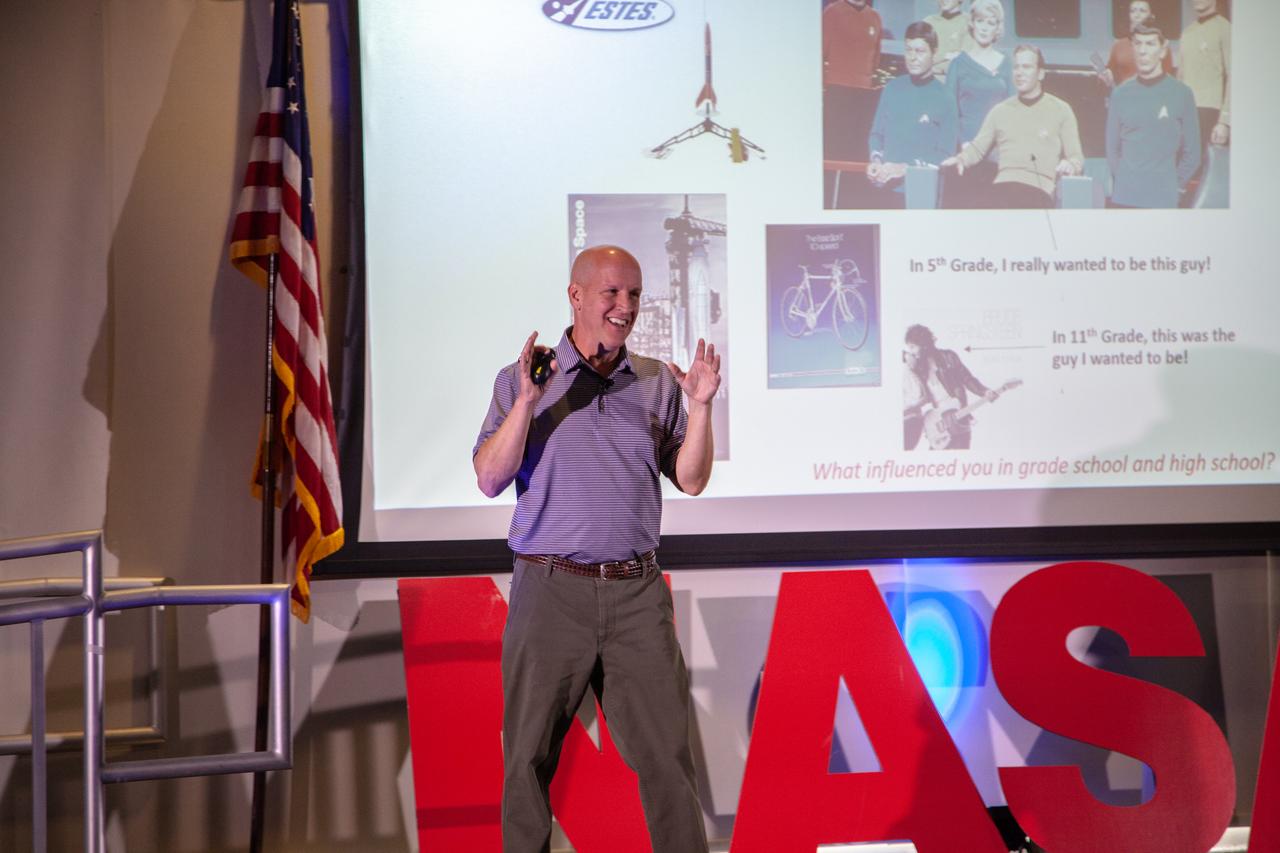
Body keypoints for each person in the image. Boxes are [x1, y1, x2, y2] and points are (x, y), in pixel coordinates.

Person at [473, 245, 720, 853]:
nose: (625, 306)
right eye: (611, 293)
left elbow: (690, 479)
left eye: (634, 294)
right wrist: (531, 404)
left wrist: (702, 407)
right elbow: (488, 476)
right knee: (526, 760)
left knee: (666, 758)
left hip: (636, 594)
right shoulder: (523, 378)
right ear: (576, 296)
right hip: (550, 591)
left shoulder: (658, 381)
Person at [942, 44, 1084, 208]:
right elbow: (977, 148)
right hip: (1002, 189)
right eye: (1016, 67)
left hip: (1038, 193)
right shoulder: (1000, 110)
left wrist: (1071, 164)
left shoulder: (1061, 110)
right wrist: (961, 159)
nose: (1019, 73)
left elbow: (1076, 157)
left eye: (1026, 67)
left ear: (1041, 73)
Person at [1106, 25, 1200, 208]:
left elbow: (1193, 153)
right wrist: (1127, 182)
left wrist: (1174, 186)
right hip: (1125, 198)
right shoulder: (1120, 94)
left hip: (1163, 198)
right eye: (1138, 44)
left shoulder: (1182, 93)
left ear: (1163, 50)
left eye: (1150, 44)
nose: (1143, 51)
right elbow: (1112, 150)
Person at [866, 21, 957, 208]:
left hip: (921, 193)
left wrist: (905, 168)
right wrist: (876, 161)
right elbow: (876, 135)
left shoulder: (946, 97)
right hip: (884, 191)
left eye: (920, 51)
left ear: (934, 53)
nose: (913, 57)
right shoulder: (892, 88)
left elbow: (946, 153)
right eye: (909, 50)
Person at [943, 0, 1013, 207]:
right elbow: (949, 113)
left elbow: (1012, 110)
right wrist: (964, 143)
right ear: (972, 23)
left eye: (991, 23)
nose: (984, 27)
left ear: (998, 28)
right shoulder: (958, 64)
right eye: (980, 21)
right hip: (965, 153)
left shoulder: (1007, 64)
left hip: (997, 157)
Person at [902, 324, 998, 451]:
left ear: (923, 344)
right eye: (909, 348)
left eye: (913, 347)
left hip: (957, 417)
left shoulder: (949, 357)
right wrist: (904, 355)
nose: (911, 352)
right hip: (937, 422)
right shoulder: (918, 367)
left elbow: (967, 378)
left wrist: (984, 391)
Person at [823, 0, 884, 173]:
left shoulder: (875, 17)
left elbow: (875, 61)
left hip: (864, 97)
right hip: (837, 94)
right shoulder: (833, 12)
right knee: (834, 152)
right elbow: (818, 53)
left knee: (859, 154)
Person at [1179, 0, 1231, 152]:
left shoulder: (1225, 28)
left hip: (1210, 111)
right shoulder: (1187, 32)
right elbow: (1180, 76)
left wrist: (1224, 121)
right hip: (1185, 110)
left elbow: (1233, 76)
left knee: (1204, 166)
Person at [1100, 0, 1174, 88]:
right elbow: (1109, 76)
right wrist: (1105, 78)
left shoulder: (1160, 46)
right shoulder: (1118, 45)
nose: (1137, 14)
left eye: (1142, 11)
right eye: (1133, 11)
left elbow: (1168, 78)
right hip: (1125, 97)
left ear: (1152, 16)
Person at [923, 0, 970, 81]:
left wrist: (937, 62)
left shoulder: (969, 22)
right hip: (930, 80)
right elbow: (922, 58)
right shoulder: (928, 22)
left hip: (959, 82)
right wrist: (948, 55)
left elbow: (967, 60)